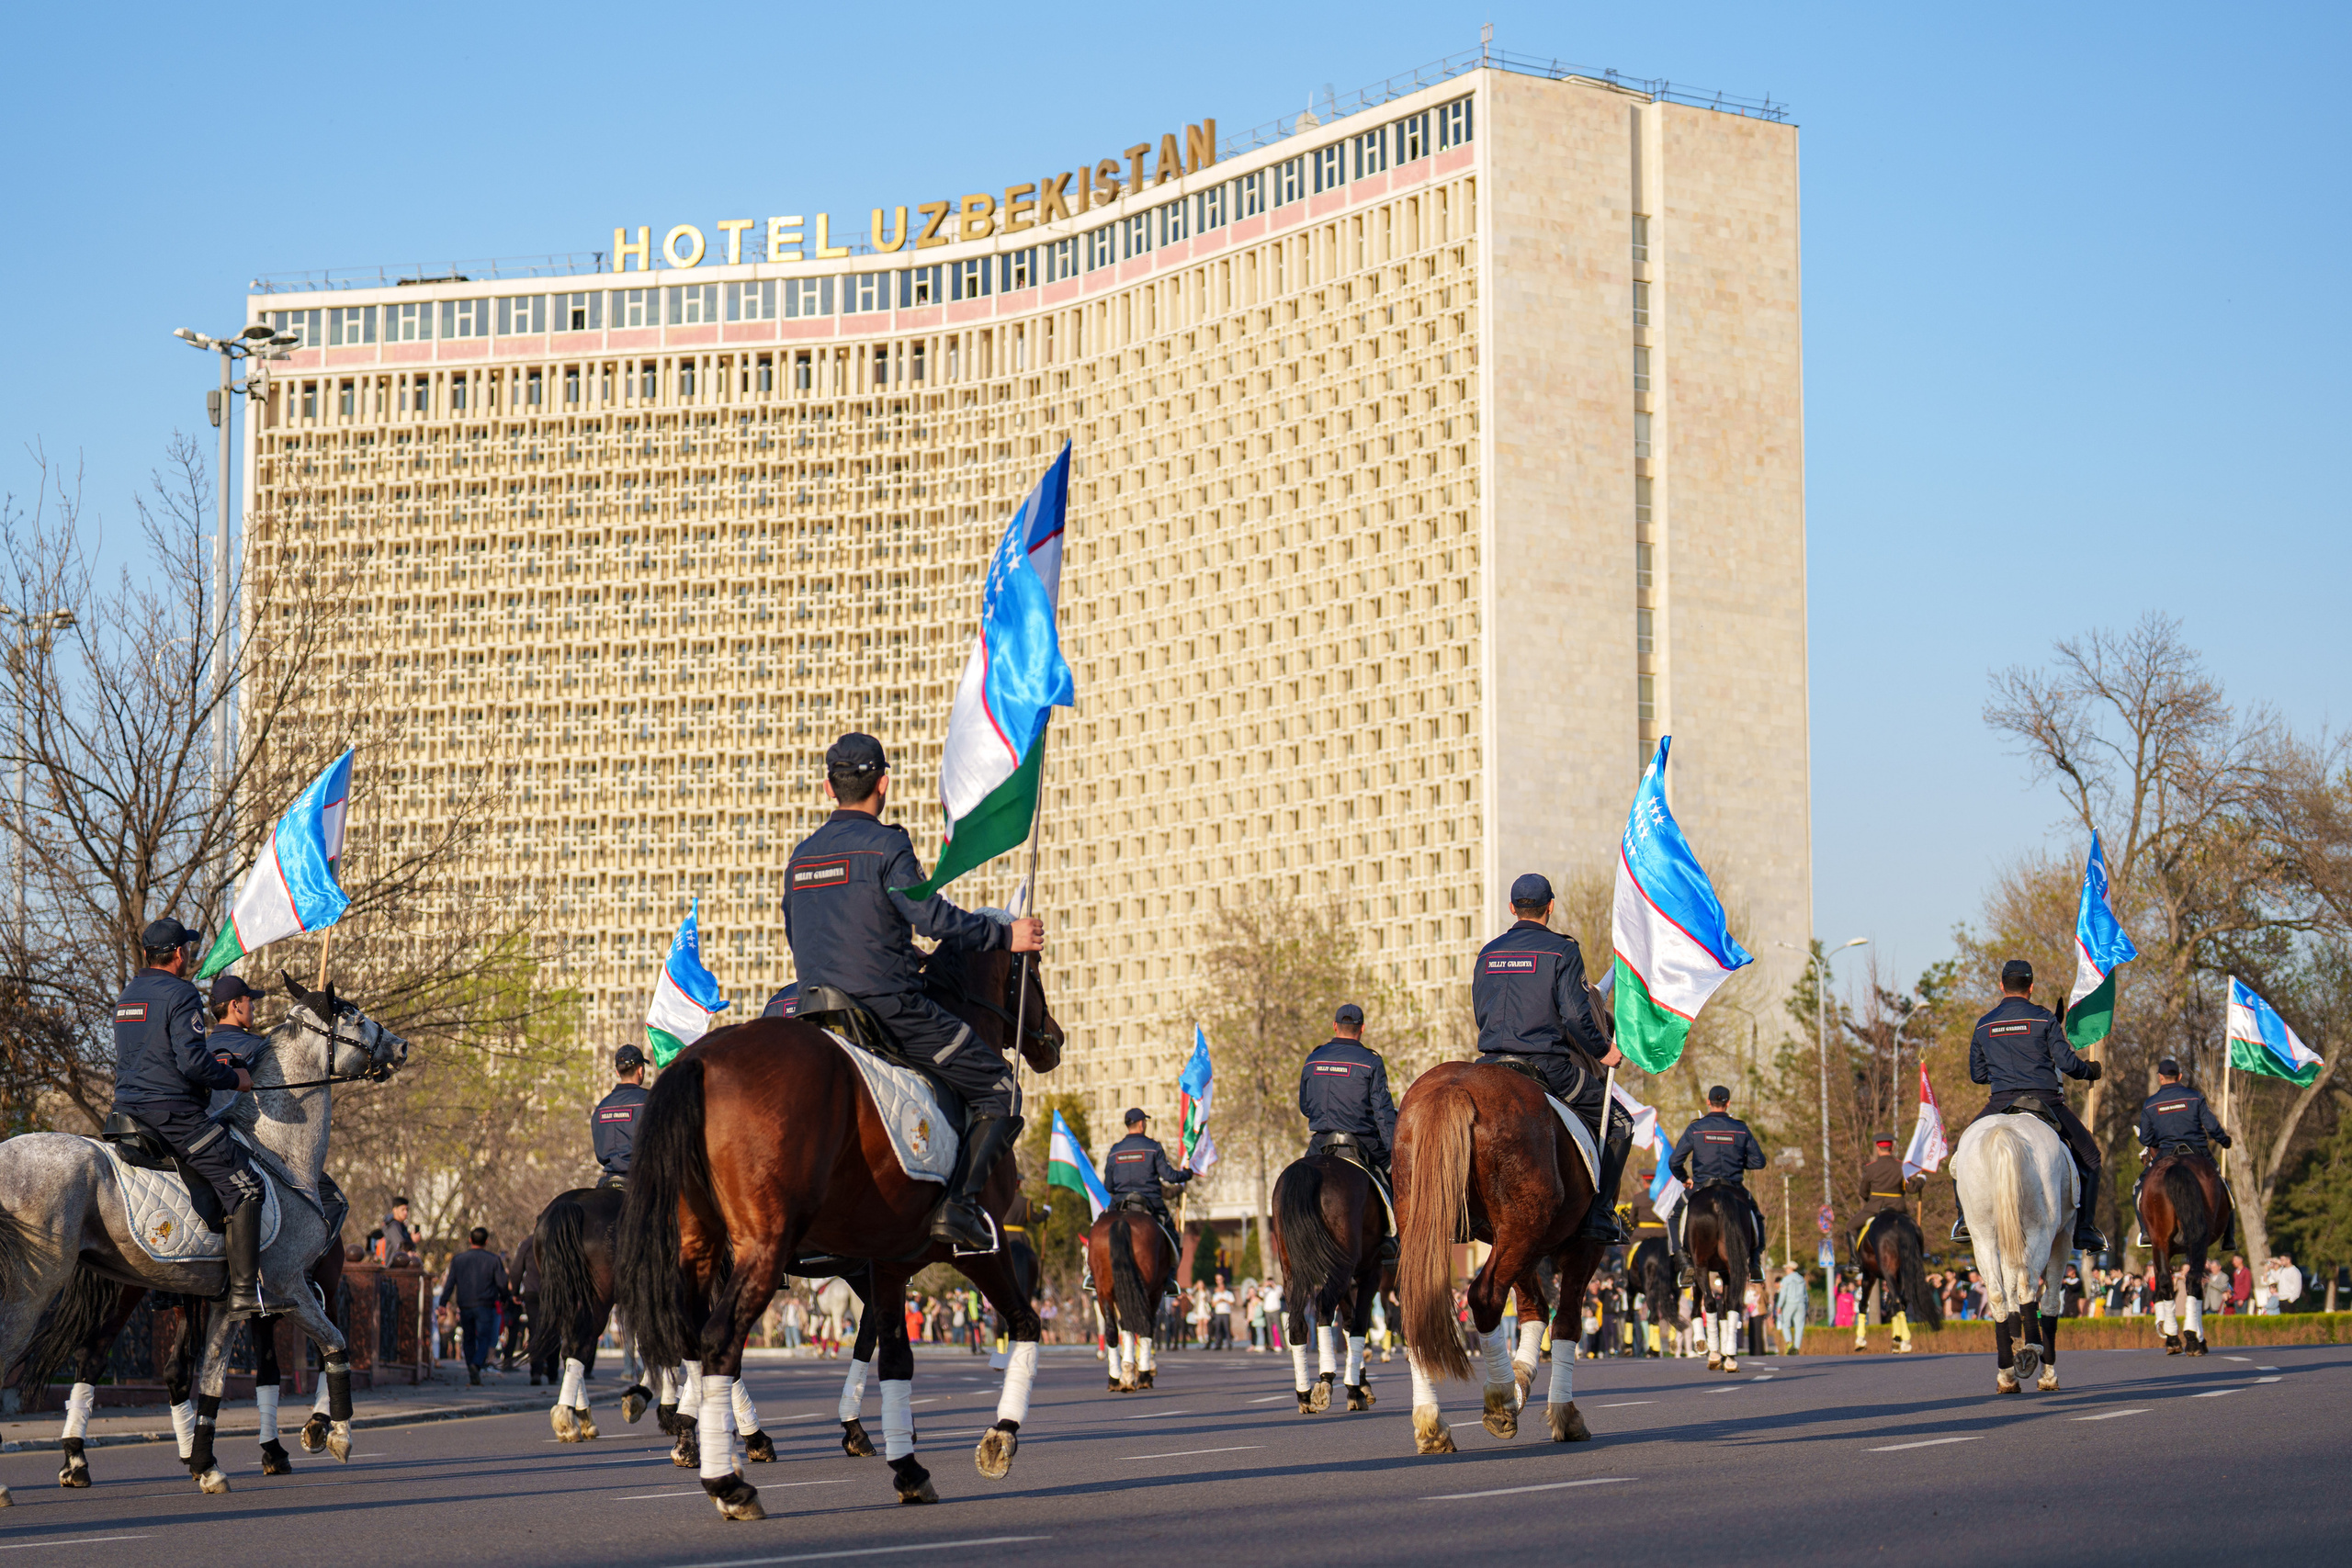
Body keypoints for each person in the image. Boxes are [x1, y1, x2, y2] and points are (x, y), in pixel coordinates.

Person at [781, 733, 1045, 1250]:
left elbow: (802, 933)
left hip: (813, 1008)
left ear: (828, 788)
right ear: (884, 784)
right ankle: (960, 1208)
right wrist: (1003, 934)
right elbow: (931, 918)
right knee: (1001, 1089)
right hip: (888, 1010)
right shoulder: (887, 845)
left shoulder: (801, 857)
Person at [109, 918, 266, 1315]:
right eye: (188, 949)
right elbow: (193, 1064)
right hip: (174, 1114)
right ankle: (246, 1294)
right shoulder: (180, 994)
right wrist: (234, 1077)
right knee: (246, 1187)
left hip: (126, 1111)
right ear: (179, 953)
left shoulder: (128, 994)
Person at [1469, 873, 1633, 1244]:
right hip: (1547, 1066)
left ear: (1511, 908)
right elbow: (1576, 1016)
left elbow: (1481, 1010)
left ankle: (1463, 1210)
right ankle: (1600, 1216)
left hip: (1490, 1064)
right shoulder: (1562, 951)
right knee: (1620, 1124)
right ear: (1551, 907)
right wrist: (1603, 1050)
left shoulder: (1488, 952)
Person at [1956, 959, 2107, 1252]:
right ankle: (2085, 1229)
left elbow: (1977, 1075)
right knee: (2090, 1156)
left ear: (2001, 985)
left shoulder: (1985, 1023)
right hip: (2045, 1099)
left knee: (1960, 1154)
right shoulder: (2043, 1018)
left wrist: (2001, 1075)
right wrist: (2090, 1070)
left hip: (2000, 1102)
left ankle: (1963, 1220)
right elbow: (2067, 1064)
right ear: (2031, 987)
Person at [1296, 1001, 1400, 1257]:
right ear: (1362, 1029)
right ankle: (1393, 1239)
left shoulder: (1313, 1060)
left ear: (1334, 1026)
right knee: (1396, 1183)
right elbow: (1383, 1114)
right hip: (1363, 1143)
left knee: (1298, 1188)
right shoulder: (1370, 1062)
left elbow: (1305, 1106)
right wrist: (1395, 1154)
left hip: (1321, 1141)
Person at [1668, 1086, 1768, 1286]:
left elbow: (1674, 1161)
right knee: (1757, 1216)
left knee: (1674, 1215)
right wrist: (1739, 1162)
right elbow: (1759, 1162)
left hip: (1701, 1186)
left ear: (1708, 1102)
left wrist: (1684, 1178)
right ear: (1728, 1103)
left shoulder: (1696, 1128)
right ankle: (1755, 1262)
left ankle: (1684, 1262)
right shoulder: (1740, 1129)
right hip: (1734, 1187)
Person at [1102, 1107, 1192, 1251]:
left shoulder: (1114, 1151)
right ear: (1141, 1124)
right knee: (1173, 1237)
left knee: (1099, 1227)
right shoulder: (1153, 1147)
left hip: (1119, 1202)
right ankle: (1170, 1273)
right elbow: (1170, 1177)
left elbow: (1108, 1187)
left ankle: (1092, 1272)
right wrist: (1186, 1174)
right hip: (1151, 1202)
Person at [442, 1226, 511, 1385]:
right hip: (485, 1304)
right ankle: (476, 1364)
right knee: (484, 1337)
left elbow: (450, 1283)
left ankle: (471, 1365)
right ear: (486, 1241)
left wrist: (443, 1302)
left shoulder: (458, 1260)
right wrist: (505, 1298)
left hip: (465, 1304)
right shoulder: (493, 1260)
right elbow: (502, 1283)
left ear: (470, 1240)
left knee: (469, 1337)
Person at [591, 1043, 650, 1189]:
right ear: (640, 1070)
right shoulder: (650, 1102)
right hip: (642, 1184)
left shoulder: (601, 1107)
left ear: (618, 1072)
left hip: (608, 1182)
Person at [1860, 1135, 1923, 1216]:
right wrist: (1921, 1179)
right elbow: (1911, 1189)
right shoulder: (1902, 1167)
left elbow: (1863, 1192)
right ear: (1892, 1148)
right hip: (1898, 1208)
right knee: (1913, 1228)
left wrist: (1872, 1201)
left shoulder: (1870, 1168)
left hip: (1874, 1208)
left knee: (1850, 1226)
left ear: (1878, 1149)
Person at [1773, 1265, 1809, 1353]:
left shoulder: (1786, 1280)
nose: (1786, 1270)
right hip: (1801, 1303)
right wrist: (1806, 1306)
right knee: (1799, 1326)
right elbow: (1806, 1294)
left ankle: (1789, 1342)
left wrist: (1779, 1306)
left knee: (1785, 1323)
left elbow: (1783, 1294)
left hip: (1790, 1303)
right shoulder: (1801, 1279)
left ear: (1790, 1269)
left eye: (1787, 1268)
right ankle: (1796, 1347)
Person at [382, 1197, 414, 1261]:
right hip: (394, 1266)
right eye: (403, 1210)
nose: (406, 1213)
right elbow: (399, 1246)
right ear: (395, 1210)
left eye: (407, 1210)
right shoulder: (393, 1226)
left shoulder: (402, 1226)